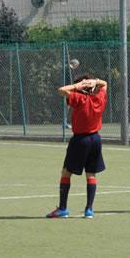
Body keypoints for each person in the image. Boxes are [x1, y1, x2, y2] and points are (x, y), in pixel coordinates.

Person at [47, 75, 108, 218]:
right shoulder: (99, 98)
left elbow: (61, 90)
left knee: (66, 172)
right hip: (96, 139)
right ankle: (89, 210)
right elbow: (104, 84)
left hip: (80, 140)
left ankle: (63, 208)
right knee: (91, 174)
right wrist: (95, 82)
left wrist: (77, 85)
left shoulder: (80, 99)